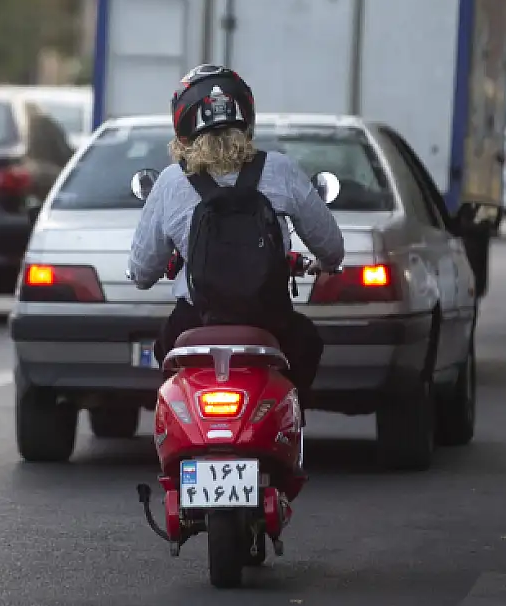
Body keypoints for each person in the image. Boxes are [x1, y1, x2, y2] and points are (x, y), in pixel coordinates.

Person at [128, 64, 344, 402]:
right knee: (307, 344)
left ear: (182, 124)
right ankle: (288, 426)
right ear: (247, 115)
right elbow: (331, 247)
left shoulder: (170, 183)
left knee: (164, 353)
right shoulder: (280, 170)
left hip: (193, 321)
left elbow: (142, 273)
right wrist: (326, 261)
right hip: (271, 321)